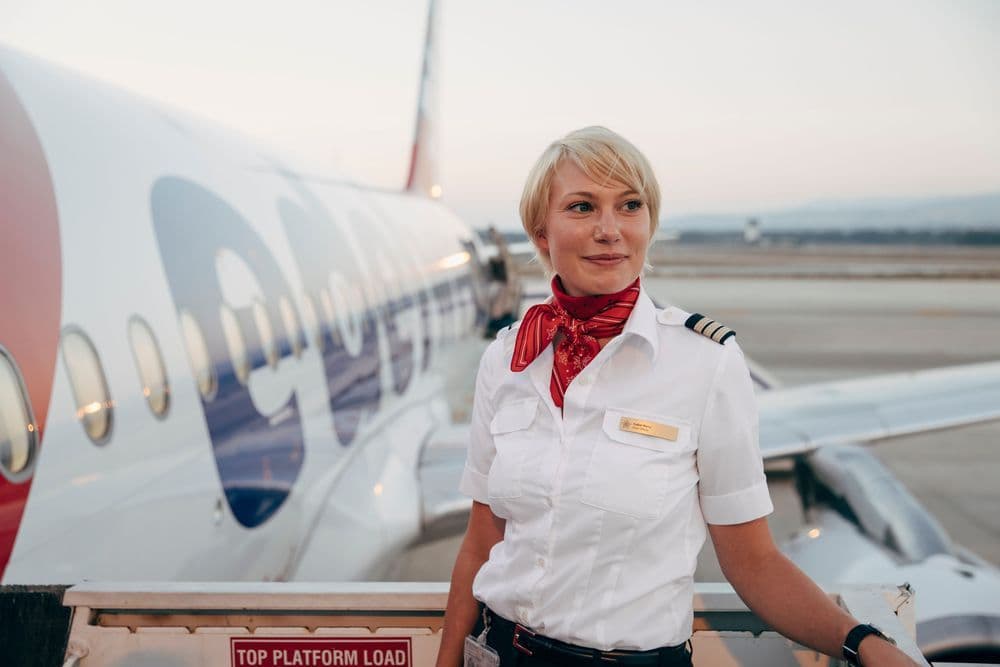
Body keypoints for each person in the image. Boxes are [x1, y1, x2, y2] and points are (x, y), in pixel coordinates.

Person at [436, 126, 918, 667]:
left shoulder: (704, 362)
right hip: (501, 652)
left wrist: (863, 643)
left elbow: (754, 562)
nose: (610, 230)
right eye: (581, 207)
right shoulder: (507, 359)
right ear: (541, 233)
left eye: (630, 206)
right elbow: (482, 541)